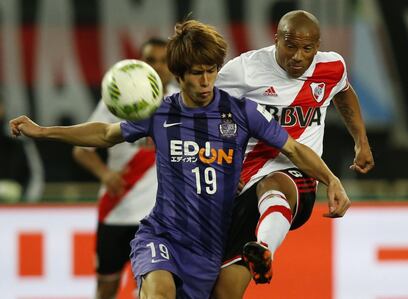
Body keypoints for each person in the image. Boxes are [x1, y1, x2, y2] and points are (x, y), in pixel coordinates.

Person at [9, 19, 350, 299]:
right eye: (197, 73)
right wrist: (44, 132)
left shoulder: (242, 113)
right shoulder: (160, 113)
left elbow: (293, 149)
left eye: (211, 72)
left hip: (210, 246)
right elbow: (105, 134)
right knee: (158, 293)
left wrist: (331, 180)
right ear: (179, 74)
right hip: (163, 235)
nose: (205, 82)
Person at [212, 10, 374, 298]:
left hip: (300, 177)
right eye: (290, 46)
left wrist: (360, 140)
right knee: (223, 291)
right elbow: (209, 113)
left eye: (307, 48)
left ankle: (264, 249)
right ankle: (256, 253)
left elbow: (343, 92)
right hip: (241, 185)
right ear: (276, 40)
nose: (298, 56)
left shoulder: (331, 67)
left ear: (317, 46)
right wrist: (225, 162)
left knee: (274, 182)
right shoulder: (244, 70)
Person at [72, 38, 179, 299]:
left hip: (160, 217)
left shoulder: (182, 99)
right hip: (117, 211)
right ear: (142, 63)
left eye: (164, 60)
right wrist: (105, 174)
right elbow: (81, 150)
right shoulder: (122, 97)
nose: (158, 66)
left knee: (150, 288)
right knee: (107, 287)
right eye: (151, 60)